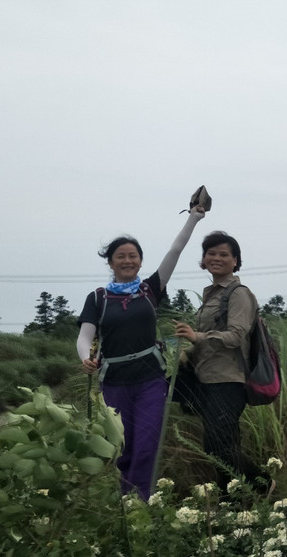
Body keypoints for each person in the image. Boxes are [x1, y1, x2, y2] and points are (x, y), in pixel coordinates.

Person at [77, 204, 206, 499]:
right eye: (120, 256)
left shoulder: (150, 290)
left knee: (147, 445)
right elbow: (85, 337)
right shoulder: (98, 298)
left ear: (140, 261)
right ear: (110, 262)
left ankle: (141, 504)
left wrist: (194, 218)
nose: (127, 260)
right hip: (114, 382)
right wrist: (86, 357)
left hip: (150, 380)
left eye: (132, 256)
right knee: (123, 447)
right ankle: (126, 502)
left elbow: (176, 249)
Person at [172, 231, 271, 495]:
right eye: (211, 253)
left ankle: (262, 485)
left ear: (236, 261)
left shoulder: (238, 293)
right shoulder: (212, 295)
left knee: (220, 445)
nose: (216, 258)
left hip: (229, 379)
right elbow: (208, 343)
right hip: (208, 378)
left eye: (224, 254)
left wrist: (197, 336)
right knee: (219, 444)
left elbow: (237, 335)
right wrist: (189, 352)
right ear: (203, 260)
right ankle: (234, 498)